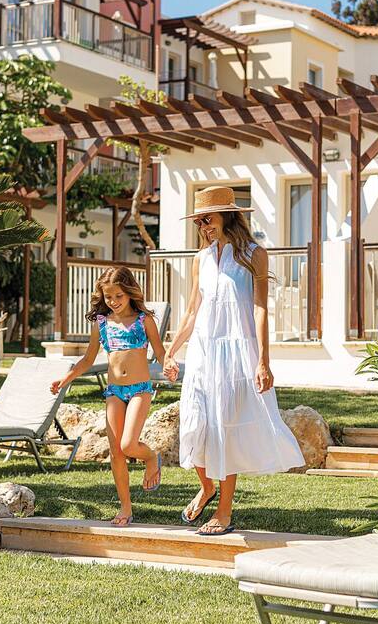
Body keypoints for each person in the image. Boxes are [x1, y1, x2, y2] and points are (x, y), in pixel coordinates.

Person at [163, 186, 304, 536]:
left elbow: (260, 309)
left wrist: (263, 361)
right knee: (194, 423)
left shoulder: (254, 255)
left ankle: (223, 511)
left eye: (208, 219)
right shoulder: (201, 259)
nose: (203, 226)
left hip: (236, 355)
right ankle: (207, 487)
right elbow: (192, 310)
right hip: (202, 352)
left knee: (224, 427)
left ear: (227, 216)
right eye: (199, 221)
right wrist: (170, 350)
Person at [51, 267, 165, 527]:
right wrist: (65, 379)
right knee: (116, 452)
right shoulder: (101, 323)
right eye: (108, 297)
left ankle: (150, 457)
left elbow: (159, 352)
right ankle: (125, 507)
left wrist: (168, 364)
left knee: (128, 445)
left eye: (118, 296)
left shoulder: (144, 320)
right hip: (114, 391)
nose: (113, 301)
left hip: (139, 389)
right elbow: (87, 359)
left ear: (130, 292)